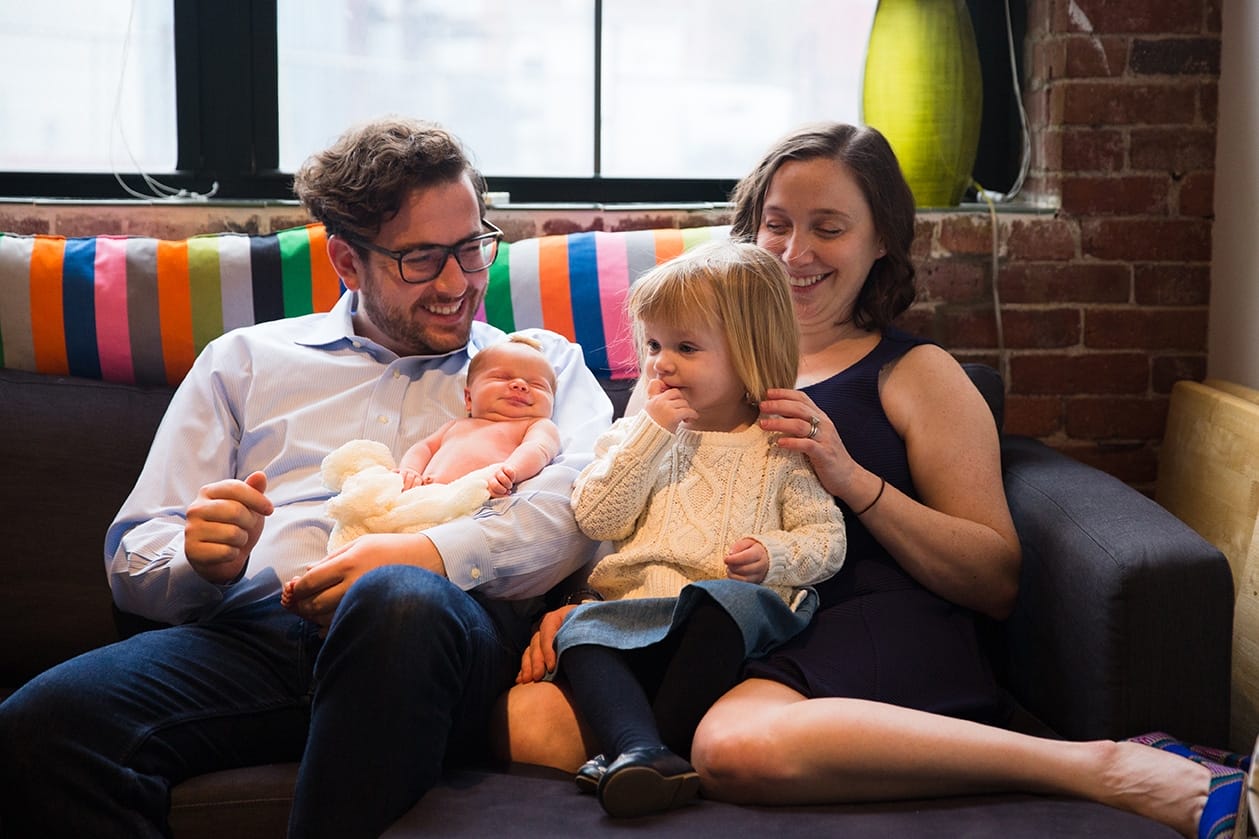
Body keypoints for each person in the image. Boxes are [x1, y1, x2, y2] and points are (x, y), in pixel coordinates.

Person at [492, 122, 1245, 839]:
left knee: (734, 746)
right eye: (777, 223)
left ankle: (1100, 764)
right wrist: (590, 607)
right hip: (715, 622)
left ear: (880, 238)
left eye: (829, 226)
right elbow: (628, 506)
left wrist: (849, 477)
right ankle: (660, 751)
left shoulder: (914, 372)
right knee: (527, 720)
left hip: (865, 615)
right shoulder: (682, 365)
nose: (794, 252)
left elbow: (994, 577)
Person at [0, 116, 610, 839]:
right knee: (40, 725)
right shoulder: (245, 361)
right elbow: (136, 552)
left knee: (397, 597)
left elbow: (575, 513)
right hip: (254, 641)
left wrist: (425, 555)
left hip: (440, 641)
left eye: (473, 247)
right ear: (347, 262)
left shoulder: (539, 367)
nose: (457, 282)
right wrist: (198, 561)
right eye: (420, 258)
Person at [515, 239, 846, 818]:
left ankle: (647, 750)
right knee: (578, 631)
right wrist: (649, 435)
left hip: (727, 624)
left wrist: (773, 555)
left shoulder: (779, 447)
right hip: (635, 614)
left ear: (748, 354)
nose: (661, 364)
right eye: (654, 345)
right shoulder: (636, 434)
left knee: (721, 601)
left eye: (686, 347)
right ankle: (642, 751)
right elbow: (596, 516)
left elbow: (827, 540)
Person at [393, 333, 561, 494]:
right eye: (502, 377)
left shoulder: (536, 425)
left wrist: (510, 471)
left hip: (481, 505)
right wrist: (410, 470)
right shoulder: (457, 425)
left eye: (538, 385)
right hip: (427, 498)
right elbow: (424, 448)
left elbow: (538, 449)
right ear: (469, 398)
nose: (520, 385)